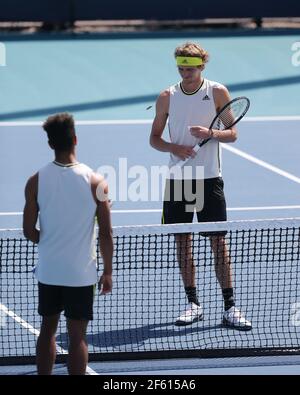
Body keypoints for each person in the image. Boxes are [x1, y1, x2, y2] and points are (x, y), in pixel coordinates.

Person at [150, 42, 251, 330]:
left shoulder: (217, 92)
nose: (185, 73)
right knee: (183, 243)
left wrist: (210, 132)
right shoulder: (166, 97)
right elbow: (154, 139)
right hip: (179, 182)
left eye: (190, 68)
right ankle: (193, 303)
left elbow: (232, 133)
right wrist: (175, 148)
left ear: (202, 66)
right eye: (181, 68)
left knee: (218, 243)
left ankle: (230, 307)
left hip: (209, 180)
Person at [23, 113, 113, 375]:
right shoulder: (97, 182)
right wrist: (107, 272)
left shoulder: (35, 181)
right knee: (77, 337)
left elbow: (29, 231)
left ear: (51, 144)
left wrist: (50, 241)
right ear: (75, 139)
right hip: (81, 275)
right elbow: (106, 233)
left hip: (49, 271)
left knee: (47, 330)